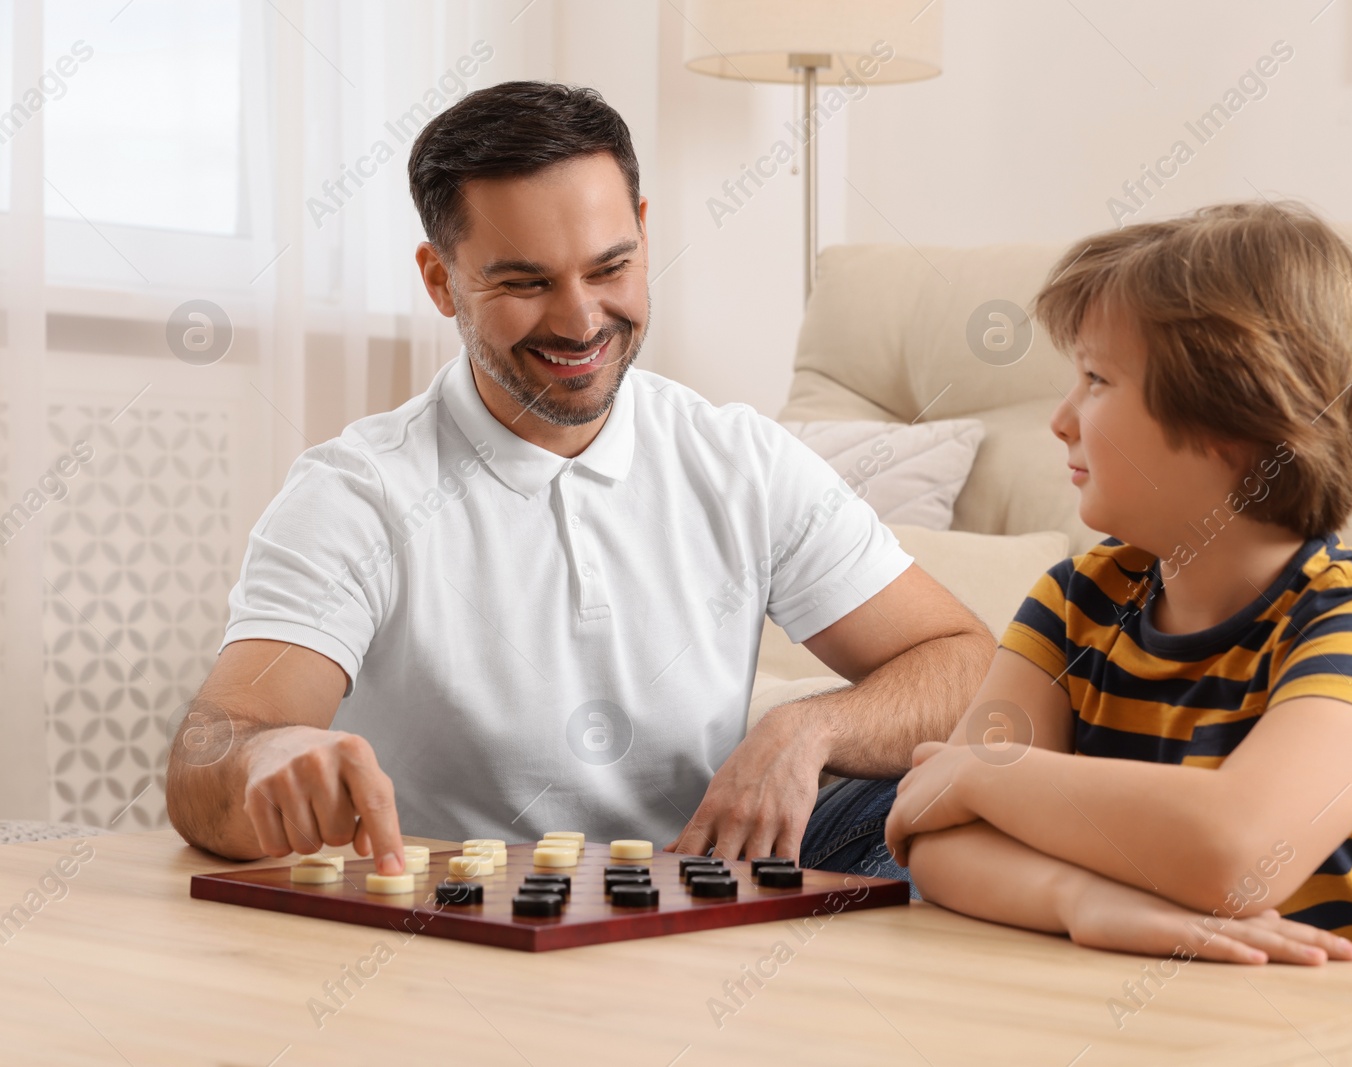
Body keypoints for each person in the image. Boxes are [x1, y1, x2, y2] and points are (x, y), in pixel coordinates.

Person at [165, 81, 994, 881]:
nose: (580, 320)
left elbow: (962, 659)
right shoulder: (359, 492)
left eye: (609, 268)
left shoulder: (738, 458)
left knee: (943, 812)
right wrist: (266, 751)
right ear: (440, 280)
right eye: (526, 282)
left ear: (641, 229)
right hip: (461, 925)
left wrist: (808, 728)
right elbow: (211, 751)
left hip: (691, 904)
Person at [885, 201, 1352, 965]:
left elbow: (1238, 850)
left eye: (1097, 378)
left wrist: (984, 771)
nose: (1062, 418)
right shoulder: (1075, 603)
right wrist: (1083, 900)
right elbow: (935, 837)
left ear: (1233, 415)